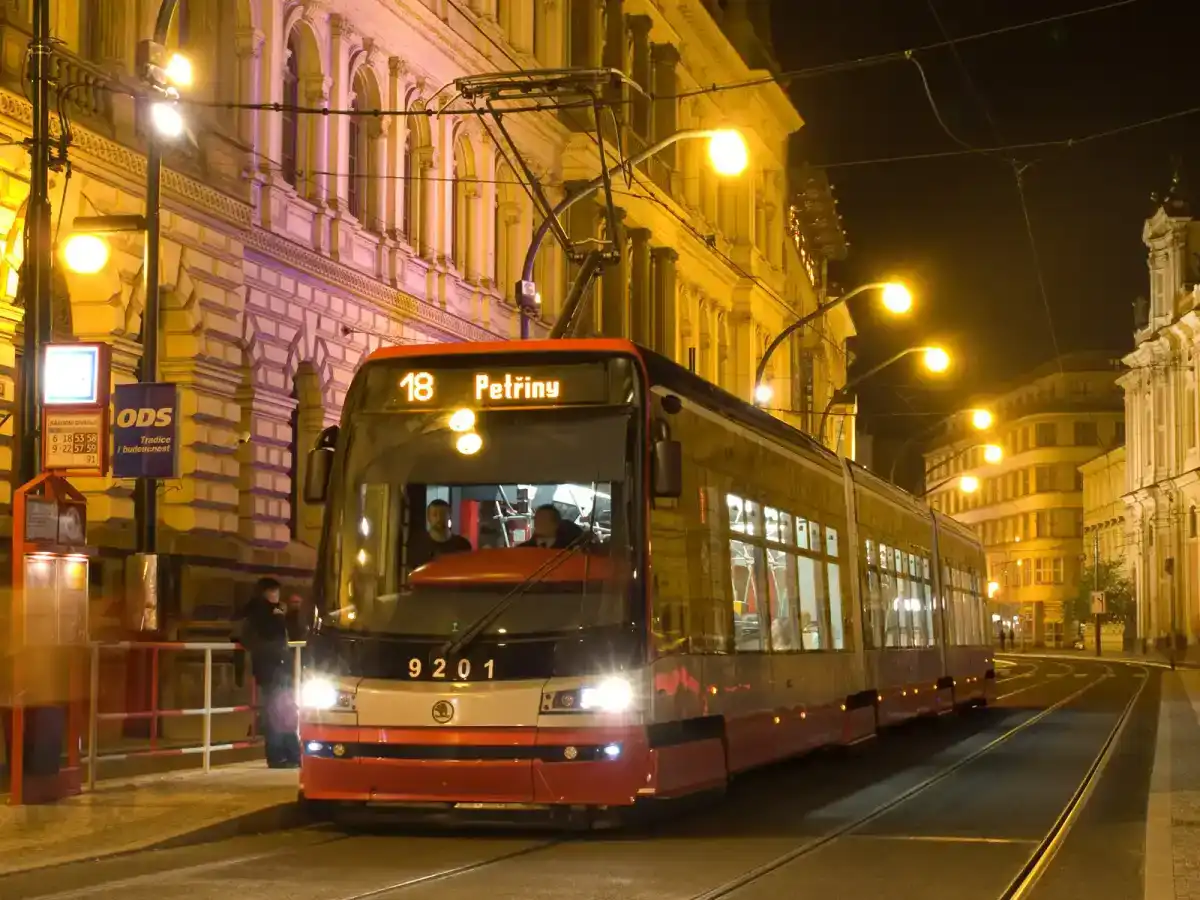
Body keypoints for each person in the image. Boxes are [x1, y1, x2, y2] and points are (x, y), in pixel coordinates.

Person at [240, 577, 300, 768]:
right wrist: (279, 617)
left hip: (276, 667)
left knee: (284, 711)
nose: (276, 595)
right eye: (272, 591)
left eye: (277, 591)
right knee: (278, 712)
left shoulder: (270, 612)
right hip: (273, 668)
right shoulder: (261, 613)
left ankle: (290, 754)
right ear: (264, 593)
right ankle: (280, 755)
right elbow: (271, 635)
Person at [409, 499, 473, 567]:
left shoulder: (463, 546)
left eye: (443, 514)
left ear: (449, 515)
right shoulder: (417, 546)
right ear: (428, 517)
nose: (439, 518)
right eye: (434, 514)